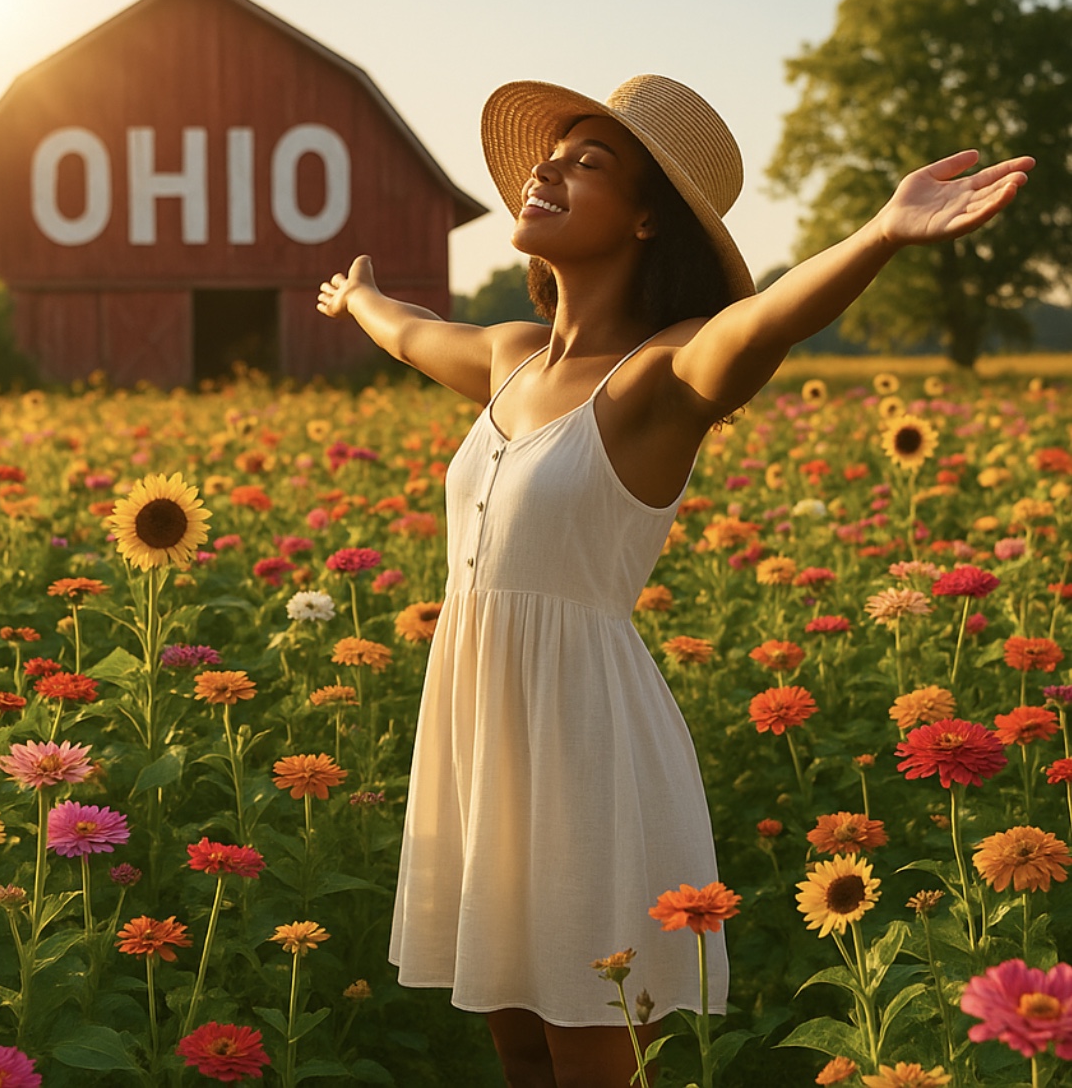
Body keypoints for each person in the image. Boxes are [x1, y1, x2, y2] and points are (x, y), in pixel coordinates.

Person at [316, 75, 1032, 1088]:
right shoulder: (510, 358)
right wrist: (360, 301)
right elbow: (412, 328)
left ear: (648, 219)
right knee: (518, 1038)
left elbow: (761, 328)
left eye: (588, 159)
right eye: (550, 151)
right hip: (482, 735)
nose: (548, 165)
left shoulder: (661, 375)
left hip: (583, 747)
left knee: (592, 1038)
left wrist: (877, 235)